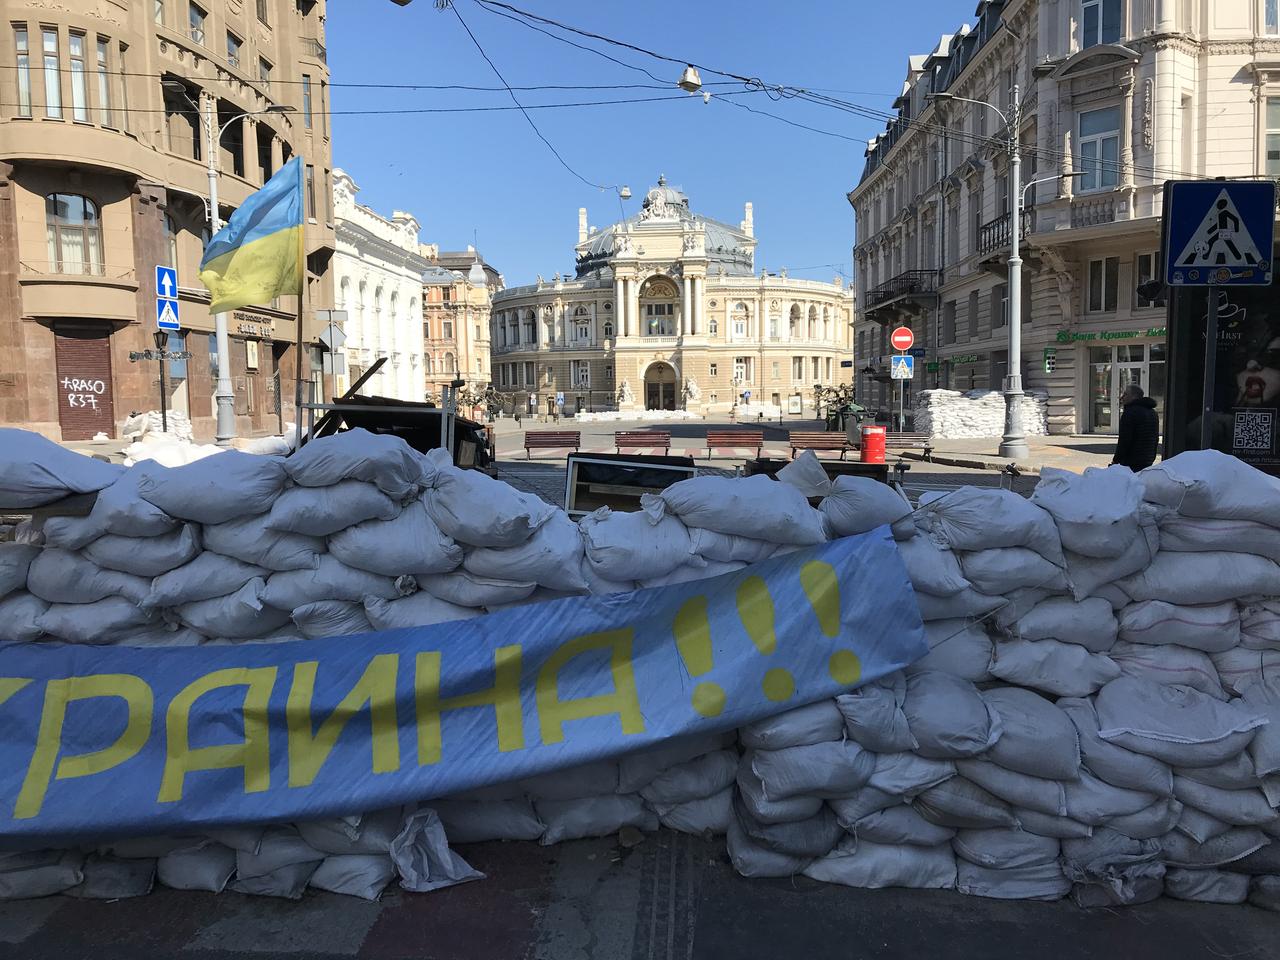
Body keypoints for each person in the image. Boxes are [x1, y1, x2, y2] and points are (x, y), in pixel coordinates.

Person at [1112, 384, 1159, 471]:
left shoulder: (1130, 413)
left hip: (1131, 460)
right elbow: (1155, 438)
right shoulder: (1153, 413)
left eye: (1125, 394)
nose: (1122, 397)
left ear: (1134, 396)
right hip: (1147, 459)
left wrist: (1116, 460)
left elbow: (1125, 439)